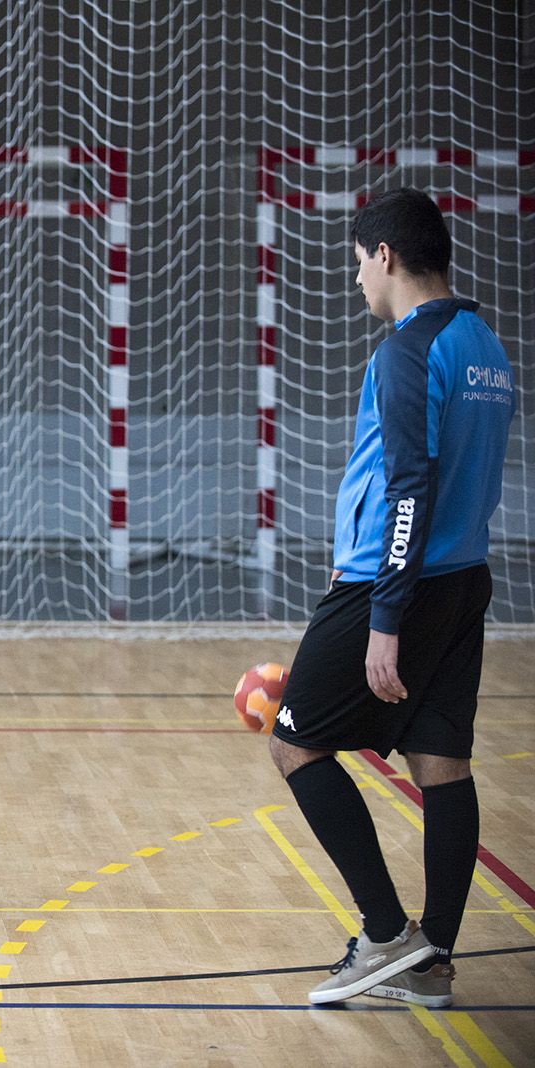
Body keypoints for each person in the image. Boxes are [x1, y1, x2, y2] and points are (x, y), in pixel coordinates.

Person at [269, 188, 515, 1007]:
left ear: (385, 256)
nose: (356, 283)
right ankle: (434, 962)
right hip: (463, 581)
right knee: (441, 763)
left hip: (392, 583)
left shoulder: (407, 351)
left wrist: (382, 619)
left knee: (295, 742)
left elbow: (410, 486)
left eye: (356, 264)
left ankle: (383, 934)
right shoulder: (484, 341)